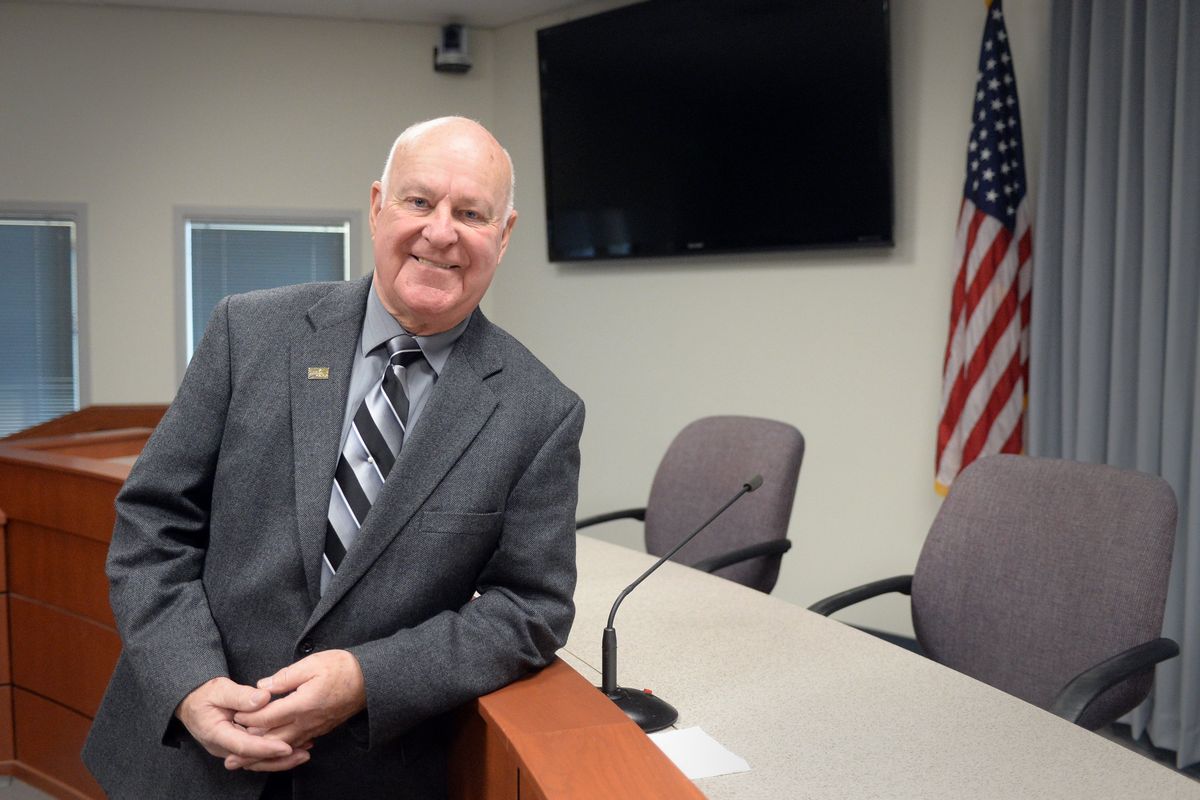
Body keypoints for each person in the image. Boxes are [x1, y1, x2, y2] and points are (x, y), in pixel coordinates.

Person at [82, 117, 584, 798]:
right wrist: (190, 682)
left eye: (471, 213)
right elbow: (152, 523)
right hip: (189, 761)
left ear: (505, 233)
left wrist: (367, 680)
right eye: (419, 201)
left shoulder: (539, 412)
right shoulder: (250, 332)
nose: (441, 232)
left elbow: (529, 609)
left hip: (369, 771)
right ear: (377, 205)